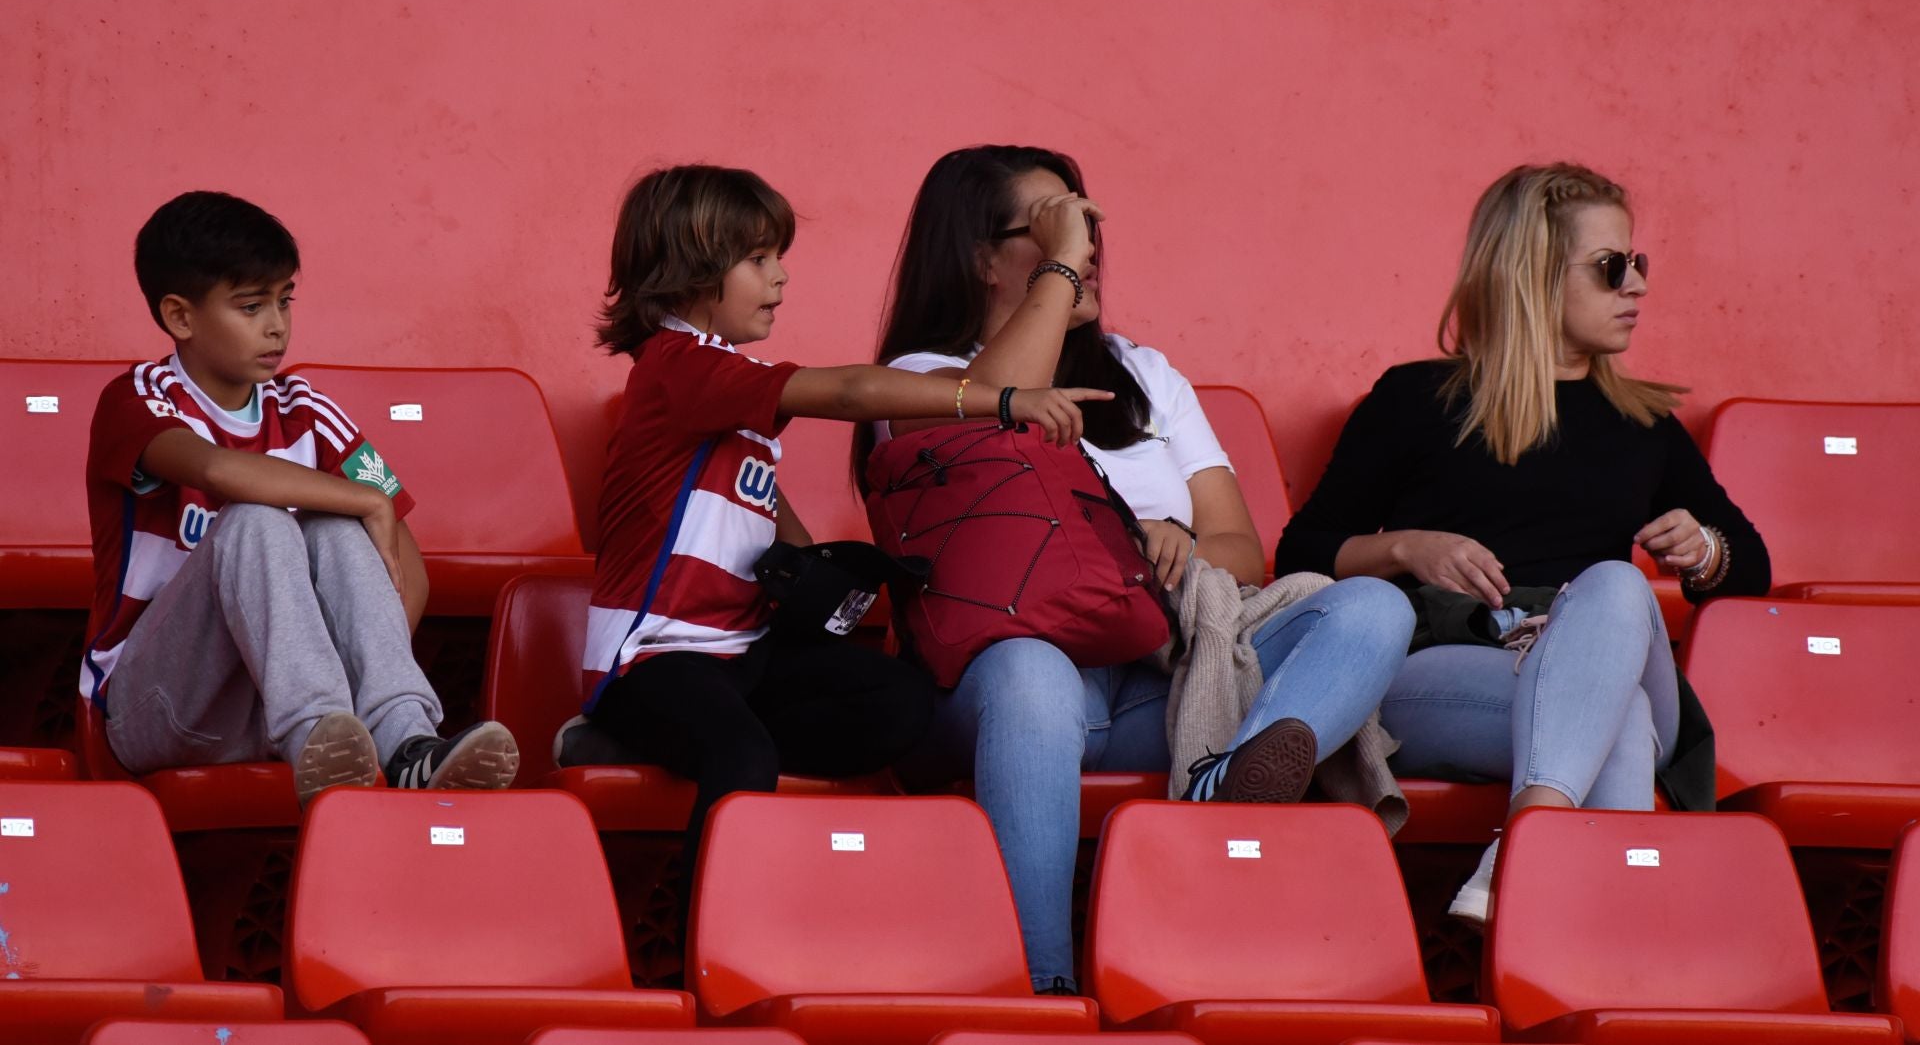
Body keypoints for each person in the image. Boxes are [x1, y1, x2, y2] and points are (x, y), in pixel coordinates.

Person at [857, 144, 1414, 991]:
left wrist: (1180, 543)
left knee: (1373, 608)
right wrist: (1060, 271)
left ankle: (1222, 785)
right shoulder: (922, 379)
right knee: (1031, 672)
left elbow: (1239, 547)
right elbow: (990, 414)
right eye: (1054, 230)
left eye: (1087, 230)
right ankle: (1038, 990)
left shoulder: (1146, 375)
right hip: (1019, 693)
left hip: (1169, 674)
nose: (1084, 252)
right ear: (979, 258)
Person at [558, 163, 1106, 877]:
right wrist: (1003, 402)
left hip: (740, 652)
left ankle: (649, 746)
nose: (780, 277)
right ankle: (701, 938)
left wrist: (813, 571)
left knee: (898, 705)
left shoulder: (724, 386)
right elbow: (849, 389)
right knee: (742, 755)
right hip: (655, 658)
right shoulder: (677, 366)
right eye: (758, 260)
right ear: (690, 272)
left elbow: (767, 519)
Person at [1274, 161, 1770, 927]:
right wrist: (1407, 547)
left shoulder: (1642, 424)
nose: (1636, 285)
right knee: (1622, 719)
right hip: (1456, 666)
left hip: (1587, 647)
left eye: (1639, 264)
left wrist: (1706, 550)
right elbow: (1300, 552)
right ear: (1535, 276)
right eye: (1612, 268)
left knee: (1613, 584)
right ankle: (1598, 961)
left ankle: (1525, 847)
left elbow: (1752, 565)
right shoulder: (1416, 402)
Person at [83, 191, 519, 805]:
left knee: (338, 530)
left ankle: (406, 742)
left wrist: (365, 659)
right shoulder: (136, 399)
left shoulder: (307, 409)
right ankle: (319, 728)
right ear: (181, 317)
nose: (277, 325)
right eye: (250, 306)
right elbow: (216, 468)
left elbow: (405, 568)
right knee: (262, 520)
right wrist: (365, 499)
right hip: (157, 708)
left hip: (276, 713)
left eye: (285, 300)